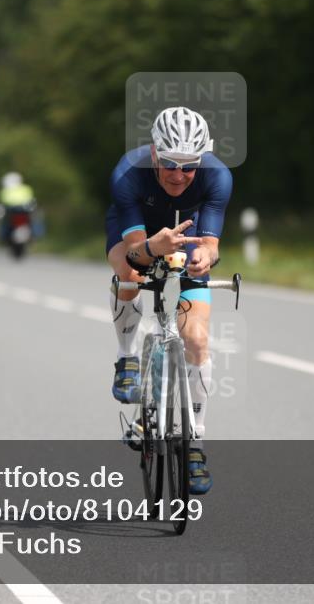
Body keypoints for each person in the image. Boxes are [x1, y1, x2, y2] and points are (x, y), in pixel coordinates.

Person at [105, 106, 232, 494]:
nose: (179, 174)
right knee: (129, 277)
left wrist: (203, 257)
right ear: (155, 153)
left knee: (195, 339)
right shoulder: (128, 173)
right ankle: (128, 358)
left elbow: (210, 245)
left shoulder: (217, 176)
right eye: (170, 164)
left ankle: (194, 444)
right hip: (138, 234)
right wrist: (151, 247)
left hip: (187, 237)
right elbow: (133, 254)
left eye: (189, 166)